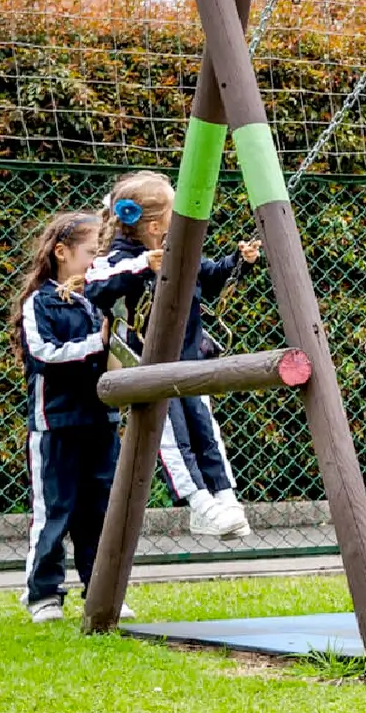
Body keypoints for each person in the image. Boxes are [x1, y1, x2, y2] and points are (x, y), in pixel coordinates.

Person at [83, 170, 264, 540]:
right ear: (152, 226)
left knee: (205, 430)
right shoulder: (119, 258)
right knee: (172, 436)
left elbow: (210, 277)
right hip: (147, 368)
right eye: (173, 213)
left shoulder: (179, 251)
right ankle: (200, 503)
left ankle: (226, 497)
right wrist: (141, 267)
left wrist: (238, 262)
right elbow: (96, 286)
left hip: (189, 360)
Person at [12, 212, 131, 623]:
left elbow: (120, 352)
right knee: (55, 512)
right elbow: (44, 354)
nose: (97, 261)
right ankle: (43, 595)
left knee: (99, 511)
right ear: (61, 253)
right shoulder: (39, 302)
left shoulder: (100, 301)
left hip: (102, 424)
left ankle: (100, 592)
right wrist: (95, 344)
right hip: (56, 427)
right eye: (90, 253)